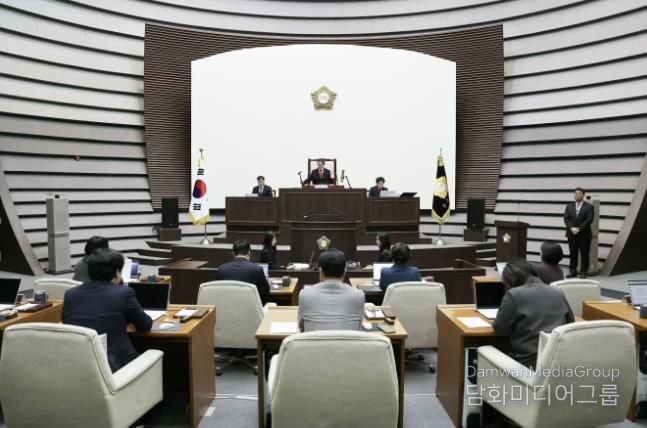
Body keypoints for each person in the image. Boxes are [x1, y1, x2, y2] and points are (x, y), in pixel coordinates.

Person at [63, 248, 152, 372]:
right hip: (115, 368)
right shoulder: (124, 293)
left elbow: (67, 322)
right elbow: (145, 325)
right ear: (117, 272)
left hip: (78, 364)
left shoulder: (71, 294)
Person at [493, 258, 574, 368]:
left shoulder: (514, 294)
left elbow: (500, 329)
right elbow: (570, 323)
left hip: (526, 363)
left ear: (510, 280)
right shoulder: (558, 291)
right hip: (558, 361)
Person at [298, 249, 364, 332]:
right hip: (348, 341)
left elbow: (301, 327)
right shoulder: (358, 295)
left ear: (321, 271)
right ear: (344, 272)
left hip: (315, 340)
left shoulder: (305, 295)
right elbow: (359, 325)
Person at [217, 240, 270, 304]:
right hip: (250, 308)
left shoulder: (222, 269)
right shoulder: (257, 269)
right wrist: (266, 280)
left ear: (233, 253)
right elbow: (266, 290)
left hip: (228, 307)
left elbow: (219, 291)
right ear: (249, 252)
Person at [563, 187, 594, 278]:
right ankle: (573, 271)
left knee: (584, 254)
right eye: (575, 193)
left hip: (584, 235)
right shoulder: (569, 206)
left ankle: (583, 272)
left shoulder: (589, 206)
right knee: (573, 254)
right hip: (571, 234)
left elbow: (589, 219)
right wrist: (571, 228)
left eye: (579, 193)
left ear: (583, 195)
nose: (577, 195)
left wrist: (579, 229)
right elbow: (566, 219)